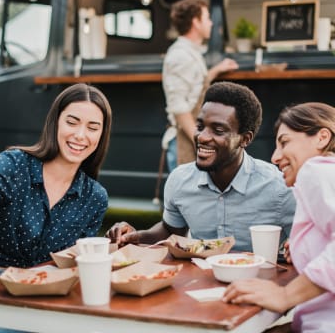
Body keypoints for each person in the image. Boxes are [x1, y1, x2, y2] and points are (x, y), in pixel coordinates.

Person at [0, 83, 112, 331]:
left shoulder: (95, 197)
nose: (81, 135)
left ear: (101, 135)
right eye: (72, 122)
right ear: (56, 122)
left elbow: (76, 264)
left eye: (93, 127)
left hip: (43, 298)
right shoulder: (14, 164)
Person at [106, 81, 295, 252]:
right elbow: (170, 230)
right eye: (200, 126)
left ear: (245, 139)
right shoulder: (179, 180)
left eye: (218, 130)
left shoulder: (279, 188)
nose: (202, 137)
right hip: (196, 285)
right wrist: (137, 236)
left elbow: (304, 248)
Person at [222, 102, 335, 333]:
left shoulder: (315, 170)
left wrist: (285, 295)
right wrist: (304, 245)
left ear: (322, 137)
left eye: (284, 142)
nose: (275, 157)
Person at [162, 0, 238, 171]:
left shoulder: (190, 53)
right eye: (207, 18)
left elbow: (193, 88)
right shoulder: (180, 55)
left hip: (192, 138)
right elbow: (179, 107)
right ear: (196, 22)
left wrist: (215, 71)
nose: (211, 23)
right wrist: (199, 140)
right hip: (184, 142)